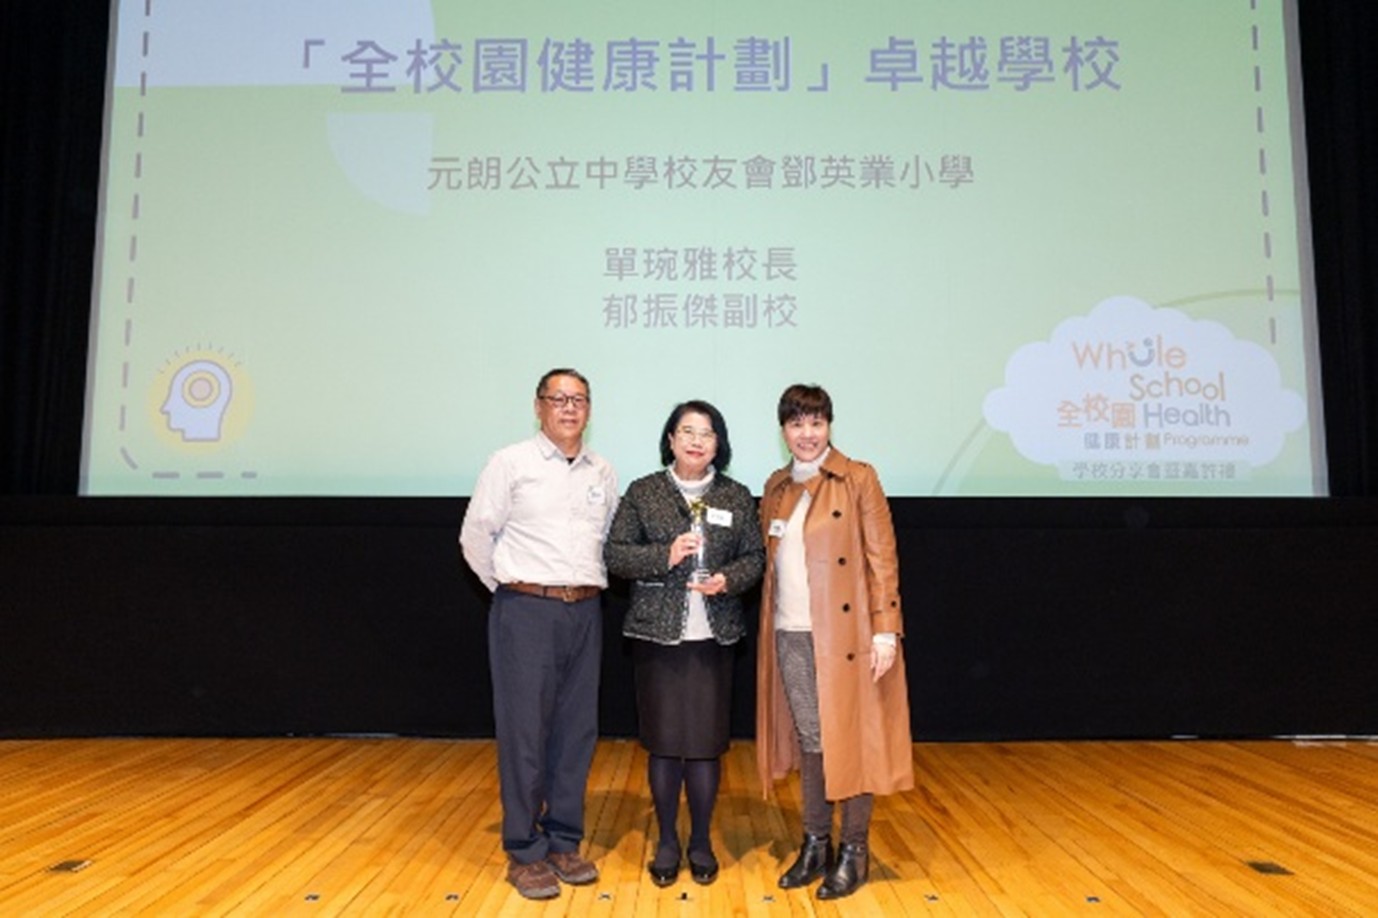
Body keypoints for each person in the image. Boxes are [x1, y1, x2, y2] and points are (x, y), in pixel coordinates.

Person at [459, 368, 619, 900]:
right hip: (526, 611)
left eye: (579, 400)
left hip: (585, 610)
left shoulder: (602, 471)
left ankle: (563, 841)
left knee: (577, 732)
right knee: (525, 732)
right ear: (539, 406)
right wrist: (513, 591)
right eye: (559, 399)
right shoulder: (510, 463)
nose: (569, 408)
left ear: (589, 410)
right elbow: (475, 537)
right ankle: (524, 849)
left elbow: (606, 542)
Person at [755, 383, 914, 900]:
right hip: (791, 632)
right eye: (796, 423)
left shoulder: (858, 478)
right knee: (813, 741)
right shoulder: (777, 486)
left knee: (854, 739)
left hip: (848, 637)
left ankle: (854, 850)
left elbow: (882, 557)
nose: (807, 434)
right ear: (783, 430)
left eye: (816, 422)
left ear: (829, 425)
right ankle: (816, 843)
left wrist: (886, 628)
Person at [604, 400, 764, 888]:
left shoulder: (735, 496)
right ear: (670, 439)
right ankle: (668, 841)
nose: (696, 441)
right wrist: (665, 555)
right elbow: (616, 556)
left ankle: (700, 841)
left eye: (707, 433)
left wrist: (728, 579)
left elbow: (755, 558)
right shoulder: (643, 492)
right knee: (664, 744)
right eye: (687, 431)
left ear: (719, 444)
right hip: (658, 637)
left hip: (713, 638)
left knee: (705, 746)